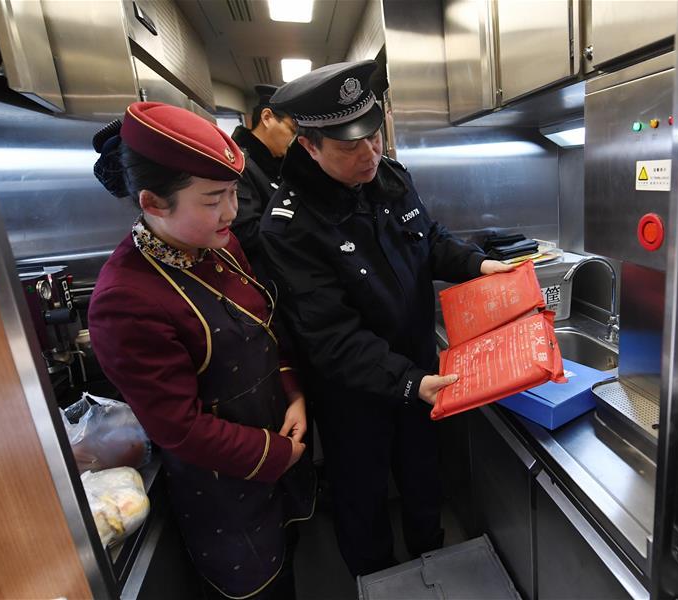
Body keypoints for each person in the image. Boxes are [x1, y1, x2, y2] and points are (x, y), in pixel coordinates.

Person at [256, 60, 513, 576]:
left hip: (418, 369)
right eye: (349, 146)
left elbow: (428, 239)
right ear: (309, 145)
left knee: (423, 479)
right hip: (355, 394)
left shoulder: (388, 177)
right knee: (363, 498)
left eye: (373, 136)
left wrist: (477, 264)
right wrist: (409, 381)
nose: (369, 153)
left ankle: (432, 564)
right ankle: (376, 581)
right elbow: (331, 336)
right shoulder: (289, 227)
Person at [88, 102, 315, 599]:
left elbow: (262, 323)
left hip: (278, 451)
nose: (231, 213)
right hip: (225, 495)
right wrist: (278, 452)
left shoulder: (219, 245)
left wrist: (292, 391)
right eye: (214, 199)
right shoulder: (126, 301)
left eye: (233, 193)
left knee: (293, 568)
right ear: (152, 201)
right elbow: (180, 427)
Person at [231, 85, 297, 273]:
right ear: (267, 118)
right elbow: (245, 233)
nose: (295, 140)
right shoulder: (240, 166)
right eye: (293, 130)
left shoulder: (275, 163)